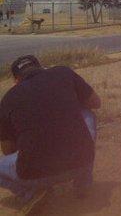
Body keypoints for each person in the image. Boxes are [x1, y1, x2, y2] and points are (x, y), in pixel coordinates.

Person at [0, 55, 101, 212]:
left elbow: (8, 151)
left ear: (16, 81)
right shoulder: (63, 72)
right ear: (42, 68)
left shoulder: (7, 99)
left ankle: (31, 193)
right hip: (81, 163)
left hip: (34, 175)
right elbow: (96, 103)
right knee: (88, 114)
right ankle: (83, 184)